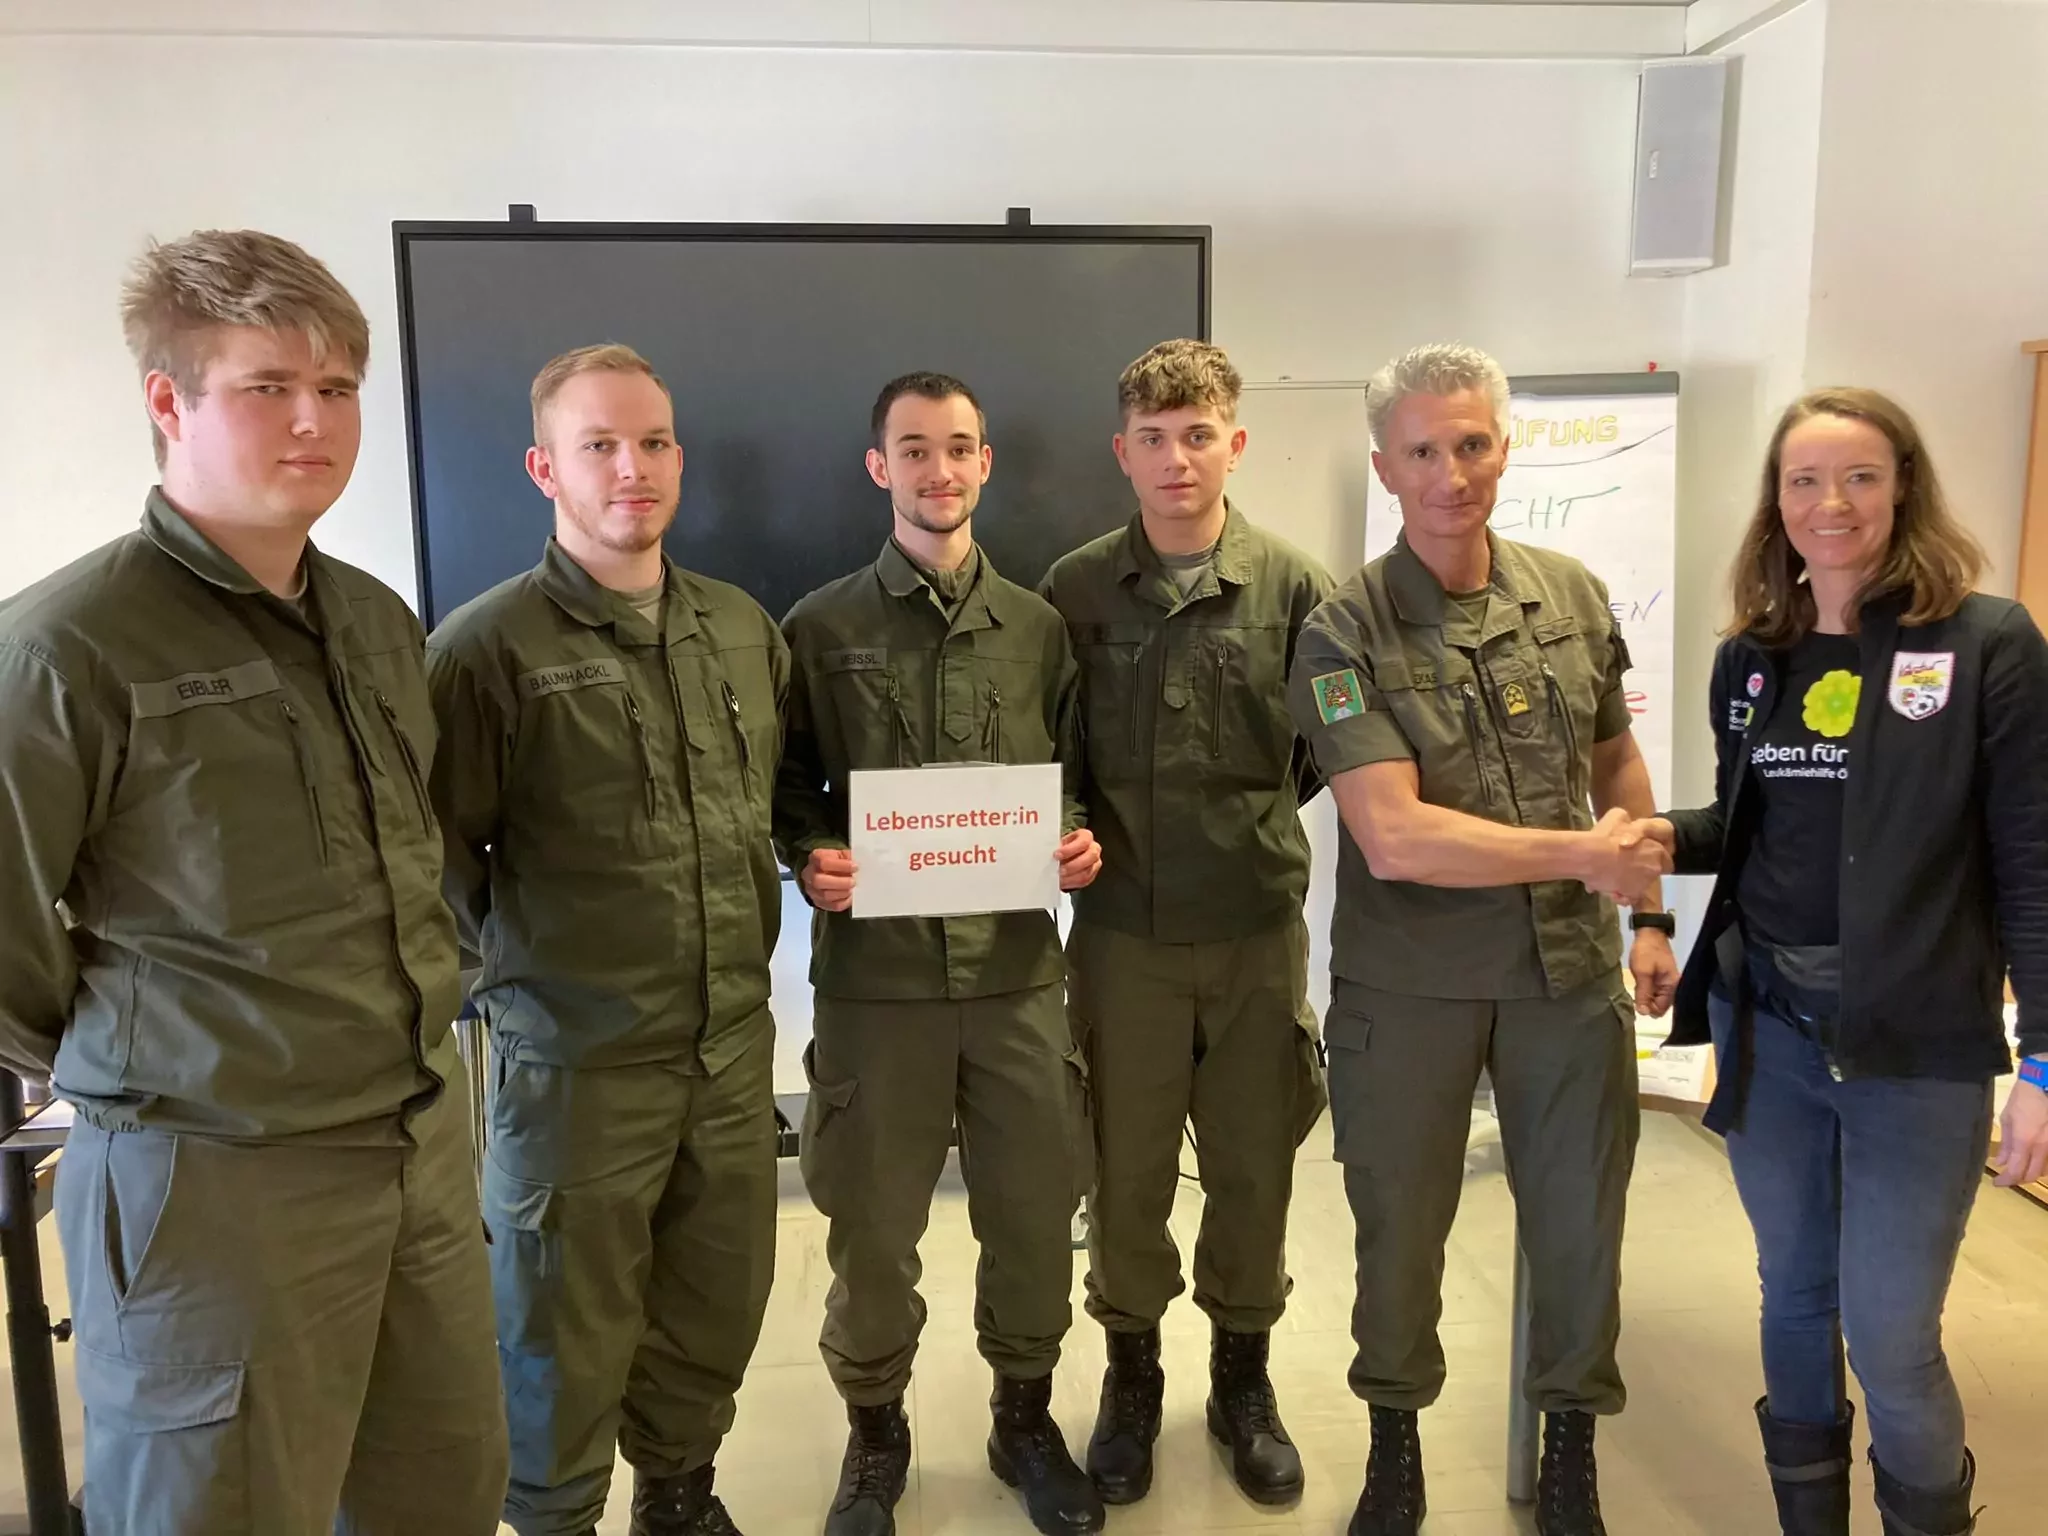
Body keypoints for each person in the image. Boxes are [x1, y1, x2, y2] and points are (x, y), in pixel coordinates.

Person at [0, 230, 508, 1534]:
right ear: (167, 401)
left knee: (439, 1490)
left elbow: (414, 859)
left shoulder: (379, 623)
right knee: (214, 1512)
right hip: (218, 1185)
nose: (313, 421)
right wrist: (165, 1054)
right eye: (267, 386)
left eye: (337, 389)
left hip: (416, 1146)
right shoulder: (66, 646)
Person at [1630, 388, 2048, 1536]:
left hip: (1916, 1053)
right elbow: (1749, 822)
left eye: (1858, 476)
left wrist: (2045, 1065)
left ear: (1902, 485)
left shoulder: (1984, 644)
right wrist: (1658, 855)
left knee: (1890, 1333)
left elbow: (2027, 857)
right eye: (1803, 480)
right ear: (1774, 500)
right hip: (1772, 1039)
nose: (1830, 504)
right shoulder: (1749, 657)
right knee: (1794, 1299)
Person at [1284, 343, 1673, 1536]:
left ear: (1501, 450)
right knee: (1398, 1230)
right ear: (1383, 468)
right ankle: (1392, 1446)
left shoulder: (1566, 594)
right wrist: (1583, 859)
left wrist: (1647, 912)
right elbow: (1393, 836)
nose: (1450, 473)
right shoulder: (1340, 631)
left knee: (1577, 1225)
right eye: (1421, 451)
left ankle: (1568, 1454)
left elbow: (1610, 757)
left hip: (1565, 975)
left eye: (1470, 444)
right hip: (1410, 989)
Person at [425, 344, 786, 1536]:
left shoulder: (738, 629)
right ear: (544, 468)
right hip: (575, 1071)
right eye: (600, 445)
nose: (634, 468)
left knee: (715, 1300)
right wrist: (531, 997)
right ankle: (557, 1518)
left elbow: (769, 807)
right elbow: (437, 869)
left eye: (655, 441)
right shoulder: (485, 653)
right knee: (556, 1335)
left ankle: (677, 1497)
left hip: (730, 1052)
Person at [774, 371, 1106, 1536]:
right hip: (879, 988)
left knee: (1029, 1216)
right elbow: (786, 787)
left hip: (1018, 980)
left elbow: (1073, 779)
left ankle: (1022, 1420)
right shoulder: (816, 627)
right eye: (912, 450)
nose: (937, 470)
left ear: (985, 464)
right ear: (880, 469)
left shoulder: (1040, 627)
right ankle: (876, 1437)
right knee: (870, 1232)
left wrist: (1074, 845)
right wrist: (811, 854)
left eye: (957, 448)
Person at [1037, 338, 1333, 1509]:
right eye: (1151, 439)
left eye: (1196, 435)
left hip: (1255, 930)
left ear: (1233, 443)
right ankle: (1130, 1372)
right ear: (1122, 452)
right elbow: (1045, 749)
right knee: (1122, 1170)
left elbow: (1317, 753)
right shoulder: (1069, 589)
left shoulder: (1298, 588)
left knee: (1255, 1167)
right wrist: (1063, 829)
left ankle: (1242, 1380)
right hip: (1119, 941)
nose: (1174, 460)